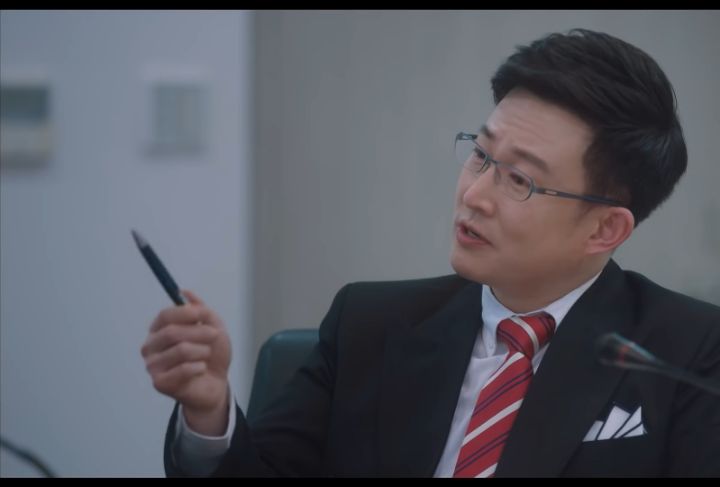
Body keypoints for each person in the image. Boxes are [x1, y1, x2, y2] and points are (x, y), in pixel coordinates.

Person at [141, 28, 720, 477]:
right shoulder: (368, 326)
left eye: (519, 180)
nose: (474, 195)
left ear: (605, 229)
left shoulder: (686, 354)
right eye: (481, 156)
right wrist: (209, 410)